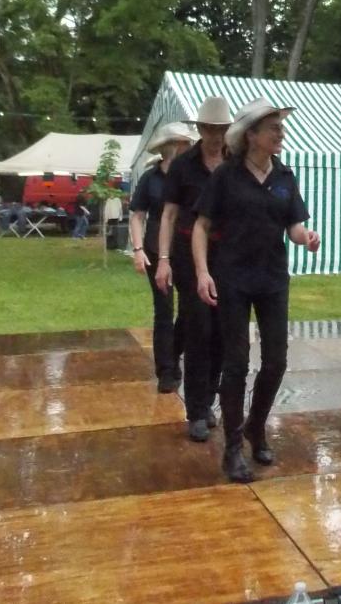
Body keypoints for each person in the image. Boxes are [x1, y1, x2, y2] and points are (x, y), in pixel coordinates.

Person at [193, 97, 320, 482]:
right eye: (274, 128)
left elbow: (293, 225)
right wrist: (202, 272)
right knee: (236, 363)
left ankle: (256, 426)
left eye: (281, 127)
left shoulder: (285, 176)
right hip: (232, 278)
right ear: (251, 135)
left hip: (272, 279)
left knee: (276, 360)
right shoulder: (226, 176)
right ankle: (233, 448)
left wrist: (306, 237)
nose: (281, 133)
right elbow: (201, 226)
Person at [155, 97, 232, 443]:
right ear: (200, 129)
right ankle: (197, 410)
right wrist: (163, 259)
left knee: (222, 334)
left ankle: (210, 399)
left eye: (221, 129)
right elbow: (169, 215)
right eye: (210, 129)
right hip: (189, 256)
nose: (216, 136)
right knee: (198, 330)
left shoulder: (236, 161)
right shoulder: (183, 165)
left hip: (228, 257)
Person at [129, 122, 198, 394]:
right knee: (164, 310)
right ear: (174, 147)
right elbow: (137, 216)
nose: (190, 146)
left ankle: (174, 351)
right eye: (186, 143)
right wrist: (138, 250)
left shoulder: (191, 176)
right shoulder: (151, 178)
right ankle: (166, 371)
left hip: (187, 250)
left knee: (190, 309)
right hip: (156, 251)